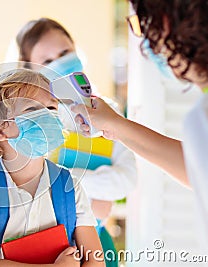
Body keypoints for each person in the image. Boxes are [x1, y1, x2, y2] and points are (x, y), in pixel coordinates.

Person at [72, 0, 208, 257]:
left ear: (166, 24)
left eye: (143, 25)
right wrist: (117, 125)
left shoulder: (205, 116)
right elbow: (197, 166)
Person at [15, 17, 137, 266]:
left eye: (65, 52)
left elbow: (127, 180)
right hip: (45, 249)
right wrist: (92, 195)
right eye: (47, 61)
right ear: (31, 71)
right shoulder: (29, 121)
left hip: (98, 245)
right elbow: (30, 184)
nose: (59, 62)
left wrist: (67, 183)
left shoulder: (107, 111)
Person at [0, 69, 104, 266]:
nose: (48, 116)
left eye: (52, 108)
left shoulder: (70, 186)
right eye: (32, 110)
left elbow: (95, 260)